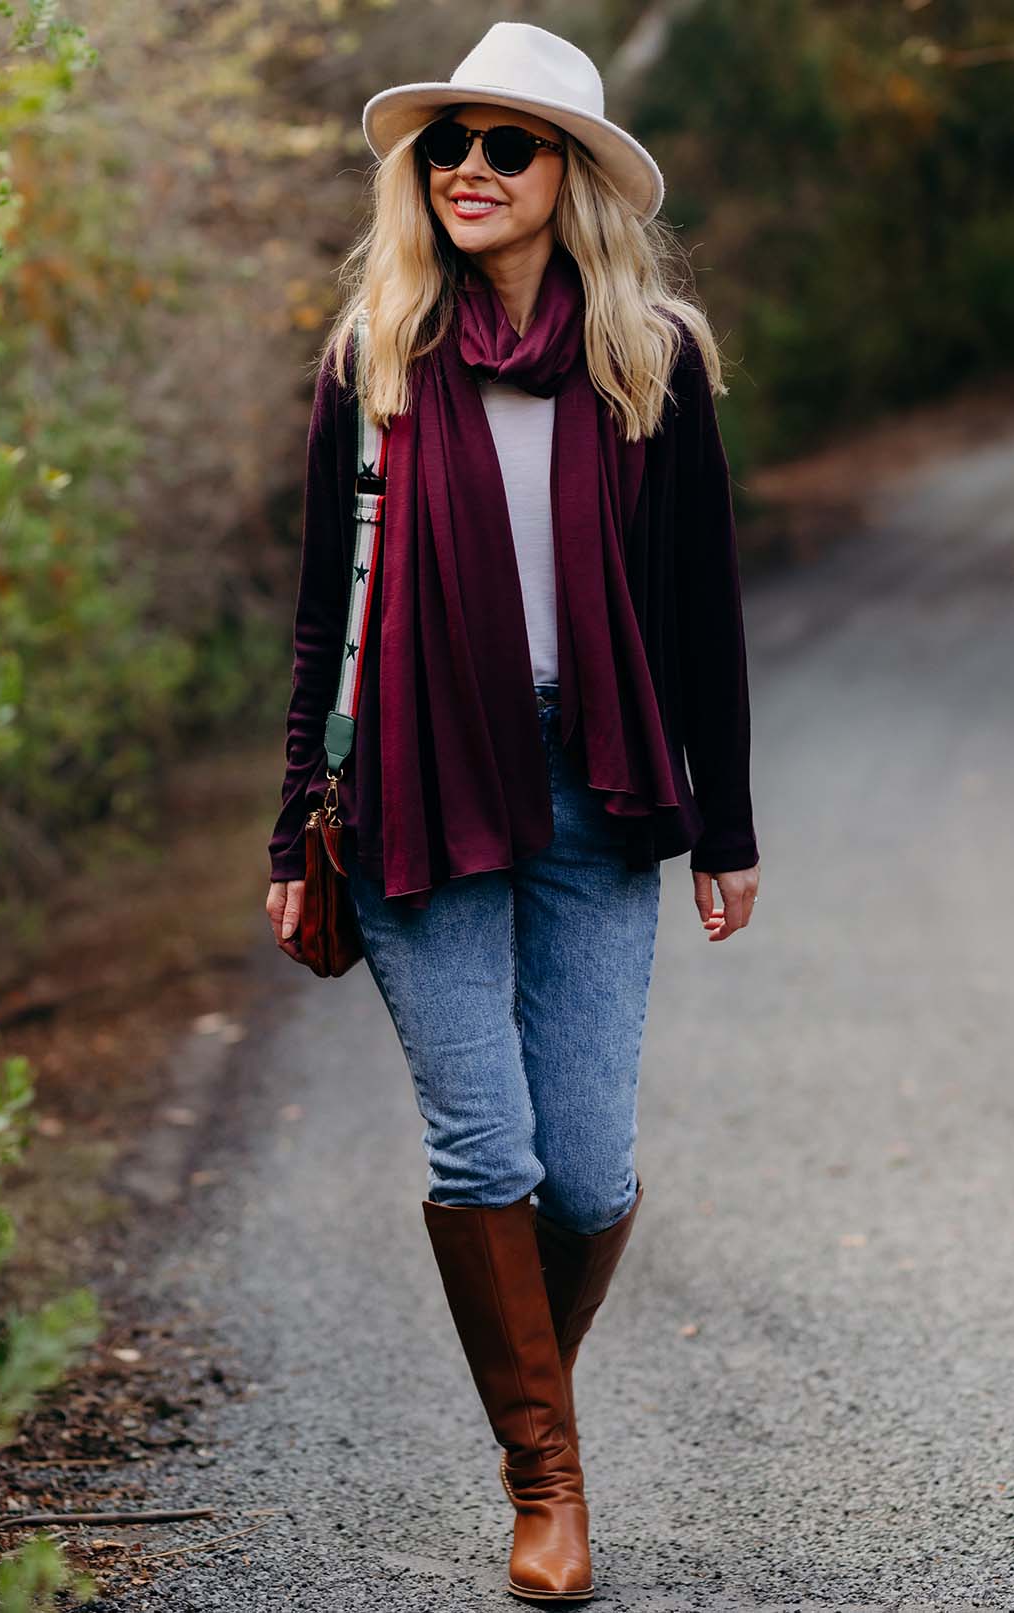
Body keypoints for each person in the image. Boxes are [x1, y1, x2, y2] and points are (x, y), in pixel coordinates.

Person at [265, 20, 760, 1604]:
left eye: (505, 146)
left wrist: (728, 823)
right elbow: (321, 618)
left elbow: (702, 610)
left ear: (572, 178)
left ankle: (527, 1394)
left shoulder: (650, 360)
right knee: (485, 1141)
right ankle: (547, 1481)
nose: (467, 169)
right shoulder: (374, 358)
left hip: (595, 778)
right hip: (414, 781)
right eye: (446, 146)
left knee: (590, 1172)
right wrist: (292, 829)